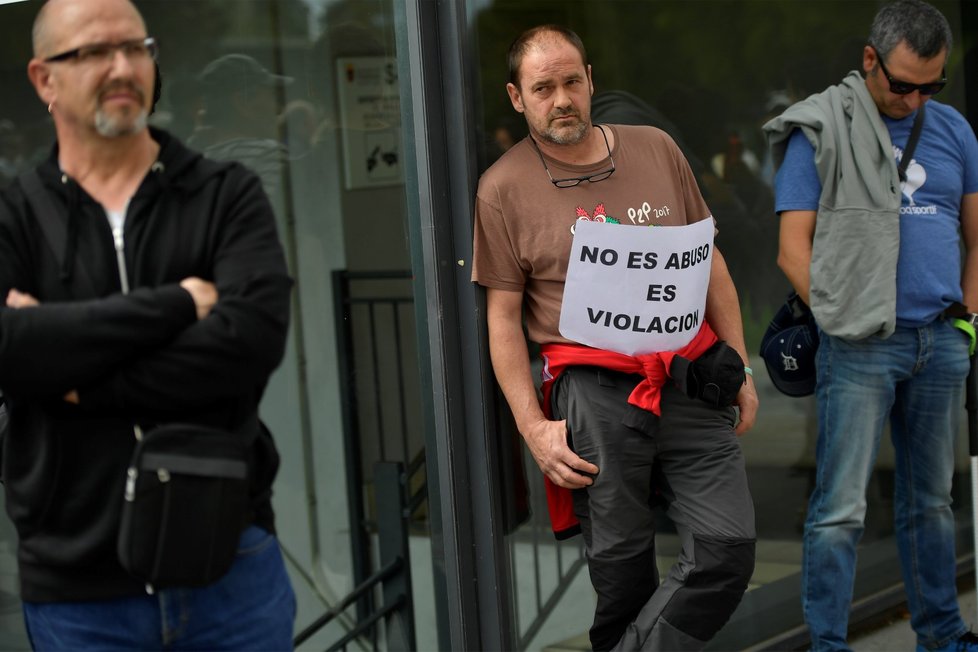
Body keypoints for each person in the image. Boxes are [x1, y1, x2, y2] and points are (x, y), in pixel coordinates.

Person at [0, 0, 296, 649]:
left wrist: (77, 374)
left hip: (230, 569)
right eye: (93, 52)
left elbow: (249, 341)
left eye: (136, 48)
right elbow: (8, 351)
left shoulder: (224, 193)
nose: (122, 66)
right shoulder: (14, 215)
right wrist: (178, 306)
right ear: (44, 79)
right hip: (81, 593)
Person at [472, 24, 758, 651]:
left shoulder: (655, 148)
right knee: (623, 578)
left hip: (687, 373)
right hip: (593, 397)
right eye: (543, 88)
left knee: (727, 550)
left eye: (572, 81)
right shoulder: (501, 187)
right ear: (517, 98)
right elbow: (502, 321)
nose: (563, 99)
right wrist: (531, 425)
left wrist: (739, 364)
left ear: (591, 79)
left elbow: (710, 261)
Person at [764, 1, 978, 650]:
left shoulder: (954, 131)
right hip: (857, 347)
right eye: (903, 83)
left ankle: (942, 636)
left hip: (938, 342)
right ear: (869, 60)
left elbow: (977, 235)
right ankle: (828, 645)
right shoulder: (822, 130)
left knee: (932, 504)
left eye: (931, 85)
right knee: (840, 511)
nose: (915, 99)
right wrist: (840, 320)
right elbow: (791, 250)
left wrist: (968, 320)